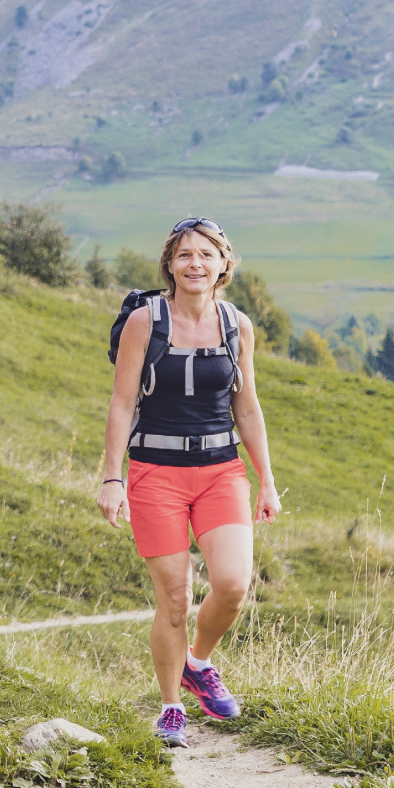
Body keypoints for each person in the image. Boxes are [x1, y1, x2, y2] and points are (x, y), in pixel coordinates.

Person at [97, 218, 281, 749]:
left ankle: (197, 663)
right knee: (174, 599)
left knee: (231, 585)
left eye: (206, 254)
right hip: (154, 472)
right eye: (184, 256)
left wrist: (266, 480)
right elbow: (121, 403)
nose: (195, 264)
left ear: (225, 264)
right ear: (169, 265)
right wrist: (113, 478)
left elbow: (246, 407)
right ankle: (171, 707)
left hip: (222, 470)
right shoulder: (144, 321)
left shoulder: (236, 326)